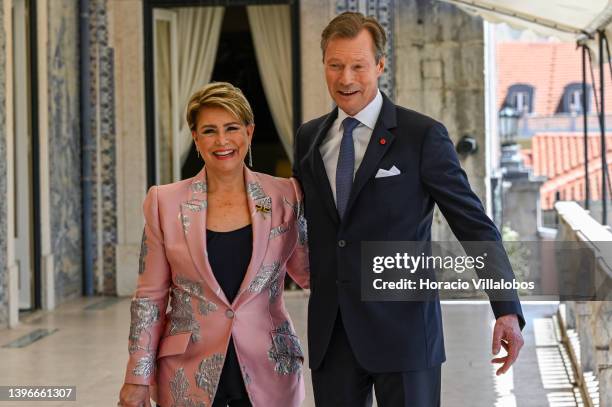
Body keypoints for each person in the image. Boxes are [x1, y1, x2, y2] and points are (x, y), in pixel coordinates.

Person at [292, 12, 525, 406]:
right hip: (333, 335)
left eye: (357, 66)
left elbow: (473, 225)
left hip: (406, 333)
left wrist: (506, 309)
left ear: (380, 66)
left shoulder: (422, 137)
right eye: (335, 65)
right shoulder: (309, 138)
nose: (345, 78)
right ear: (324, 65)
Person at [118, 82, 309, 407]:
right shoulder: (164, 202)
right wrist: (137, 376)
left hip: (271, 368)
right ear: (195, 138)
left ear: (249, 132)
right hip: (187, 371)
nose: (222, 141)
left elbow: (312, 273)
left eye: (231, 128)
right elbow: (150, 297)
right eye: (209, 131)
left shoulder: (285, 196)